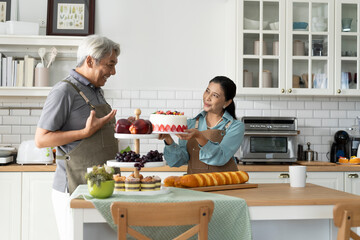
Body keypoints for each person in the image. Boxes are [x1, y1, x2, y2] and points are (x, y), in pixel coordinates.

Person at [34, 35, 120, 240]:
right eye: (110, 65)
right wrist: (84, 133)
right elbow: (41, 139)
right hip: (74, 187)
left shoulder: (95, 91)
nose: (113, 72)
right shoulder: (64, 91)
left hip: (102, 187)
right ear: (90, 61)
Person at [159, 76, 244, 174]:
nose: (207, 98)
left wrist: (199, 136)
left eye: (215, 95)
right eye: (207, 91)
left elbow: (220, 157)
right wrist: (168, 139)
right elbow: (178, 161)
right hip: (195, 185)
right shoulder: (190, 123)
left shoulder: (235, 126)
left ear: (227, 102)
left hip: (224, 186)